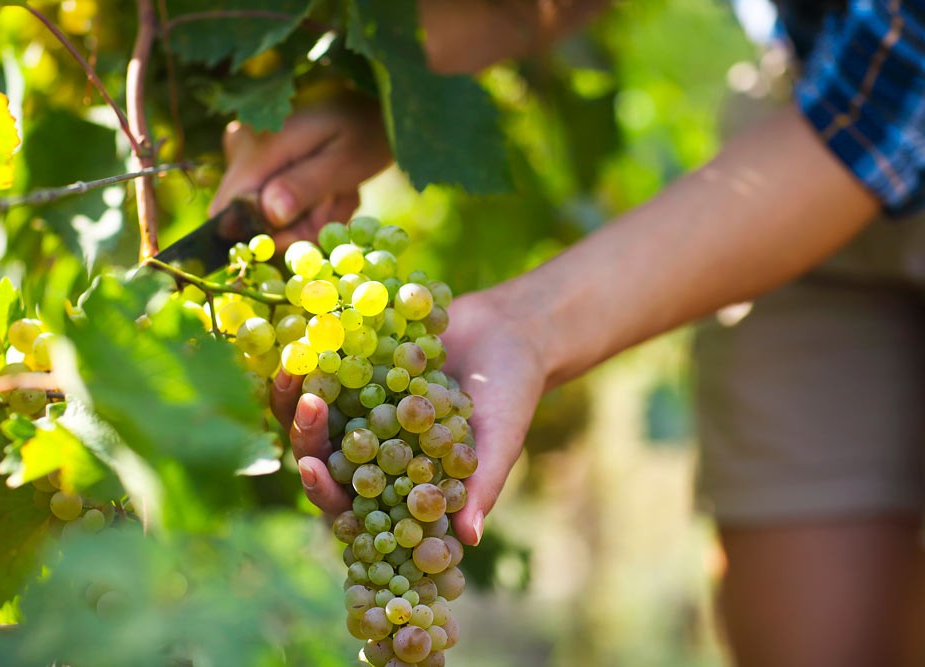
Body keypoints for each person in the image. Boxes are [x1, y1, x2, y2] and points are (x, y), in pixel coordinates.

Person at [210, 2, 925, 665]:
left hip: (873, 108)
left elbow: (890, 102)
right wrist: (382, 88)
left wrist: (533, 324)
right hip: (805, 105)